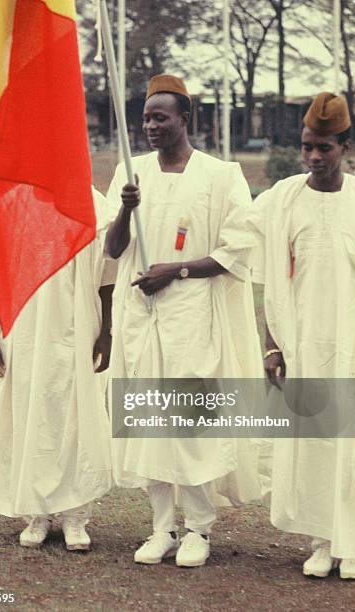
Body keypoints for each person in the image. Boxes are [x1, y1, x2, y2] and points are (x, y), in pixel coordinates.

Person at [105, 74, 268, 568]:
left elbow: (235, 250)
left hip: (194, 318)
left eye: (161, 117)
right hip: (141, 319)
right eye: (146, 118)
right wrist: (124, 212)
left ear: (185, 118)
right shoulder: (130, 173)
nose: (151, 126)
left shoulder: (221, 175)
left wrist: (175, 270)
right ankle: (161, 528)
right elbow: (112, 252)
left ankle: (198, 529)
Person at [0, 187, 116, 551]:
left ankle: (76, 515)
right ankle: (37, 513)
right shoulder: (11, 203)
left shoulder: (92, 202)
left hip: (78, 327)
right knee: (29, 412)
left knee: (75, 415)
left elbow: (108, 275)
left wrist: (106, 333)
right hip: (23, 329)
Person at [248, 92, 355, 579]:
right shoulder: (282, 199)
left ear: (346, 146)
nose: (314, 157)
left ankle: (352, 543)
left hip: (354, 344)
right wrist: (272, 345)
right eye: (307, 147)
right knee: (315, 442)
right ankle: (321, 540)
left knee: (353, 446)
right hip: (302, 346)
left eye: (325, 148)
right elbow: (265, 273)